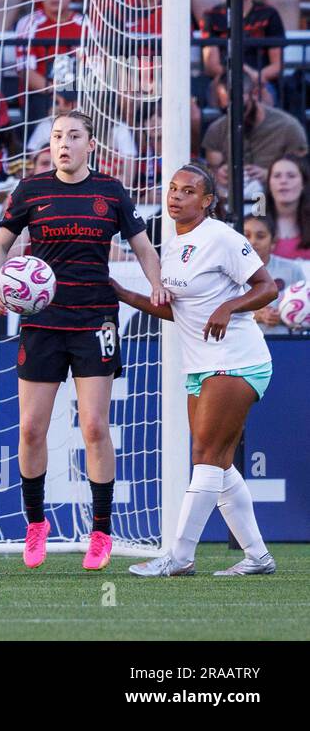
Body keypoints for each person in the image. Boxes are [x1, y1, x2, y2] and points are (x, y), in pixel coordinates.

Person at [0, 110, 166, 571]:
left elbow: (144, 247)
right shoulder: (31, 191)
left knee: (94, 428)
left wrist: (157, 285)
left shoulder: (110, 192)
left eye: (73, 136)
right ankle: (35, 524)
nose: (63, 143)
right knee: (31, 428)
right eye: (57, 136)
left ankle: (101, 530)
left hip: (95, 319)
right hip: (42, 321)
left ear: (91, 144)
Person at [111, 165, 278, 577]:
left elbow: (267, 287)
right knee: (217, 463)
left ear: (206, 202)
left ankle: (179, 556)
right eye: (172, 189)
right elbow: (177, 309)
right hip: (201, 364)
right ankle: (257, 557)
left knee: (204, 457)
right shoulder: (172, 243)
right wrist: (122, 293)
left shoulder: (221, 237)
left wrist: (228, 307)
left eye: (188, 191)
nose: (176, 196)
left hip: (237, 359)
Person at [199, 0, 285, 104]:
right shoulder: (211, 16)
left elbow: (277, 66)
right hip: (224, 80)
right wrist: (239, 72)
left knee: (260, 95)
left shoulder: (270, 14)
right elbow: (211, 65)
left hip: (260, 81)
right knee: (223, 93)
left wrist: (253, 76)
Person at [202, 72, 308, 188]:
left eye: (240, 108)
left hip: (273, 199)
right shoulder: (216, 130)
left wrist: (270, 174)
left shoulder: (288, 127)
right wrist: (219, 175)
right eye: (226, 109)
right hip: (231, 199)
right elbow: (211, 173)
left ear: (255, 94)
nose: (233, 115)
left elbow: (302, 170)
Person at [243, 213, 305, 336]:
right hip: (243, 346)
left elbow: (305, 310)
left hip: (286, 344)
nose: (252, 241)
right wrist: (257, 315)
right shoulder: (229, 272)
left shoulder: (292, 270)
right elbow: (220, 311)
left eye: (260, 236)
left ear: (273, 241)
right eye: (246, 236)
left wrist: (282, 316)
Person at [263, 155, 310, 261]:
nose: (283, 181)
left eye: (291, 176)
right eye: (277, 176)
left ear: (303, 183)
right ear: (269, 184)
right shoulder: (254, 223)